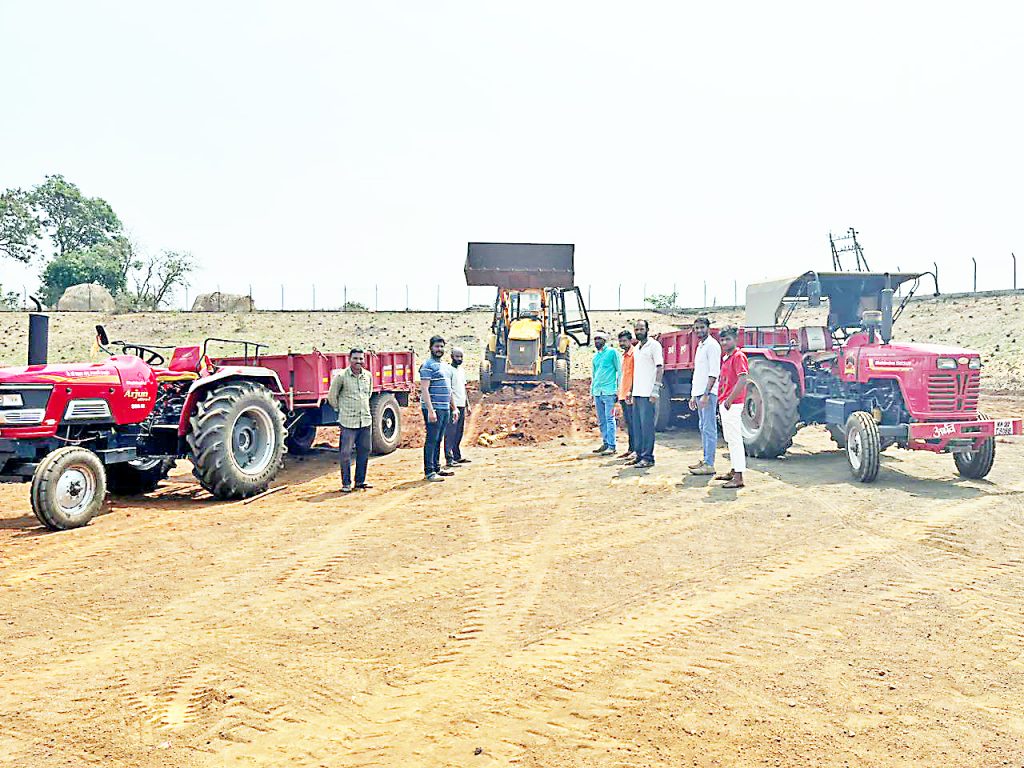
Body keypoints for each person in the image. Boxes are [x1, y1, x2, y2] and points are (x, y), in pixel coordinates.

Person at [327, 348, 373, 493]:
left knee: (365, 451)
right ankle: (346, 483)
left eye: (361, 359)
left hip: (365, 420)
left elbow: (369, 394)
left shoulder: (368, 376)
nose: (358, 361)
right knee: (345, 453)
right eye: (355, 359)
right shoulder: (341, 376)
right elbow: (332, 397)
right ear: (349, 359)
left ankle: (360, 481)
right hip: (348, 422)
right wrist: (341, 410)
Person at [420, 335, 458, 482]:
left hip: (445, 408)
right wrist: (430, 410)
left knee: (438, 439)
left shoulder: (446, 367)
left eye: (441, 347)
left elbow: (449, 390)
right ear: (430, 348)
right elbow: (424, 389)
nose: (439, 349)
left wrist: (454, 408)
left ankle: (436, 467)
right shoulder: (427, 366)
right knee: (431, 439)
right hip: (433, 408)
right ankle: (429, 471)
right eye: (436, 346)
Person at [688, 317, 722, 476]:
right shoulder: (700, 346)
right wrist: (693, 395)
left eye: (702, 327)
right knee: (703, 427)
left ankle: (709, 464)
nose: (699, 330)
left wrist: (706, 394)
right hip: (699, 393)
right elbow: (698, 373)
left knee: (709, 428)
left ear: (708, 328)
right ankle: (705, 459)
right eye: (696, 328)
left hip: (707, 394)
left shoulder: (712, 346)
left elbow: (714, 373)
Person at [716, 326, 748, 488]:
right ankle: (734, 469)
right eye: (722, 339)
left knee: (735, 440)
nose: (724, 342)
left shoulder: (738, 356)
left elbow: (743, 379)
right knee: (729, 438)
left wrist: (729, 399)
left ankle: (739, 476)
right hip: (725, 402)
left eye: (728, 339)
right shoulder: (726, 357)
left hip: (732, 404)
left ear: (735, 340)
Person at [628, 319, 664, 468]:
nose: (638, 332)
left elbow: (660, 367)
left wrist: (655, 390)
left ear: (647, 330)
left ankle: (648, 458)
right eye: (636, 330)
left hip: (648, 394)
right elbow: (636, 371)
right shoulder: (637, 348)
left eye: (641, 329)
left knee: (647, 426)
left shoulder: (654, 346)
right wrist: (631, 390)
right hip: (637, 393)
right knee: (637, 426)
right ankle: (639, 454)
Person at [590, 330, 621, 456]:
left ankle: (612, 445)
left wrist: (618, 390)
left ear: (605, 340)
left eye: (599, 338)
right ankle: (606, 442)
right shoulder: (595, 357)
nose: (597, 341)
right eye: (595, 339)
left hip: (609, 392)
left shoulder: (612, 353)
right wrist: (592, 392)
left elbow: (619, 370)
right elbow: (594, 375)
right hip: (598, 392)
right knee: (601, 420)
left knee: (610, 419)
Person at [444, 347, 472, 468]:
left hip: (461, 405)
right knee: (451, 432)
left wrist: (468, 405)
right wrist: (453, 406)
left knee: (459, 432)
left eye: (461, 357)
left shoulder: (461, 370)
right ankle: (449, 458)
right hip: (452, 407)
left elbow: (463, 389)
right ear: (451, 356)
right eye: (457, 356)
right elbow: (449, 390)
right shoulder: (448, 370)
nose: (459, 359)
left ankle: (457, 456)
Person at [617, 329, 637, 459]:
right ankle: (631, 449)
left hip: (631, 395)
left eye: (624, 341)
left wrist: (631, 391)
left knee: (635, 424)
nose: (622, 343)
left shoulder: (634, 354)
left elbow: (636, 375)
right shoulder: (624, 356)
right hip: (623, 394)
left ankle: (636, 450)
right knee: (629, 423)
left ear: (630, 341)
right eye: (620, 341)